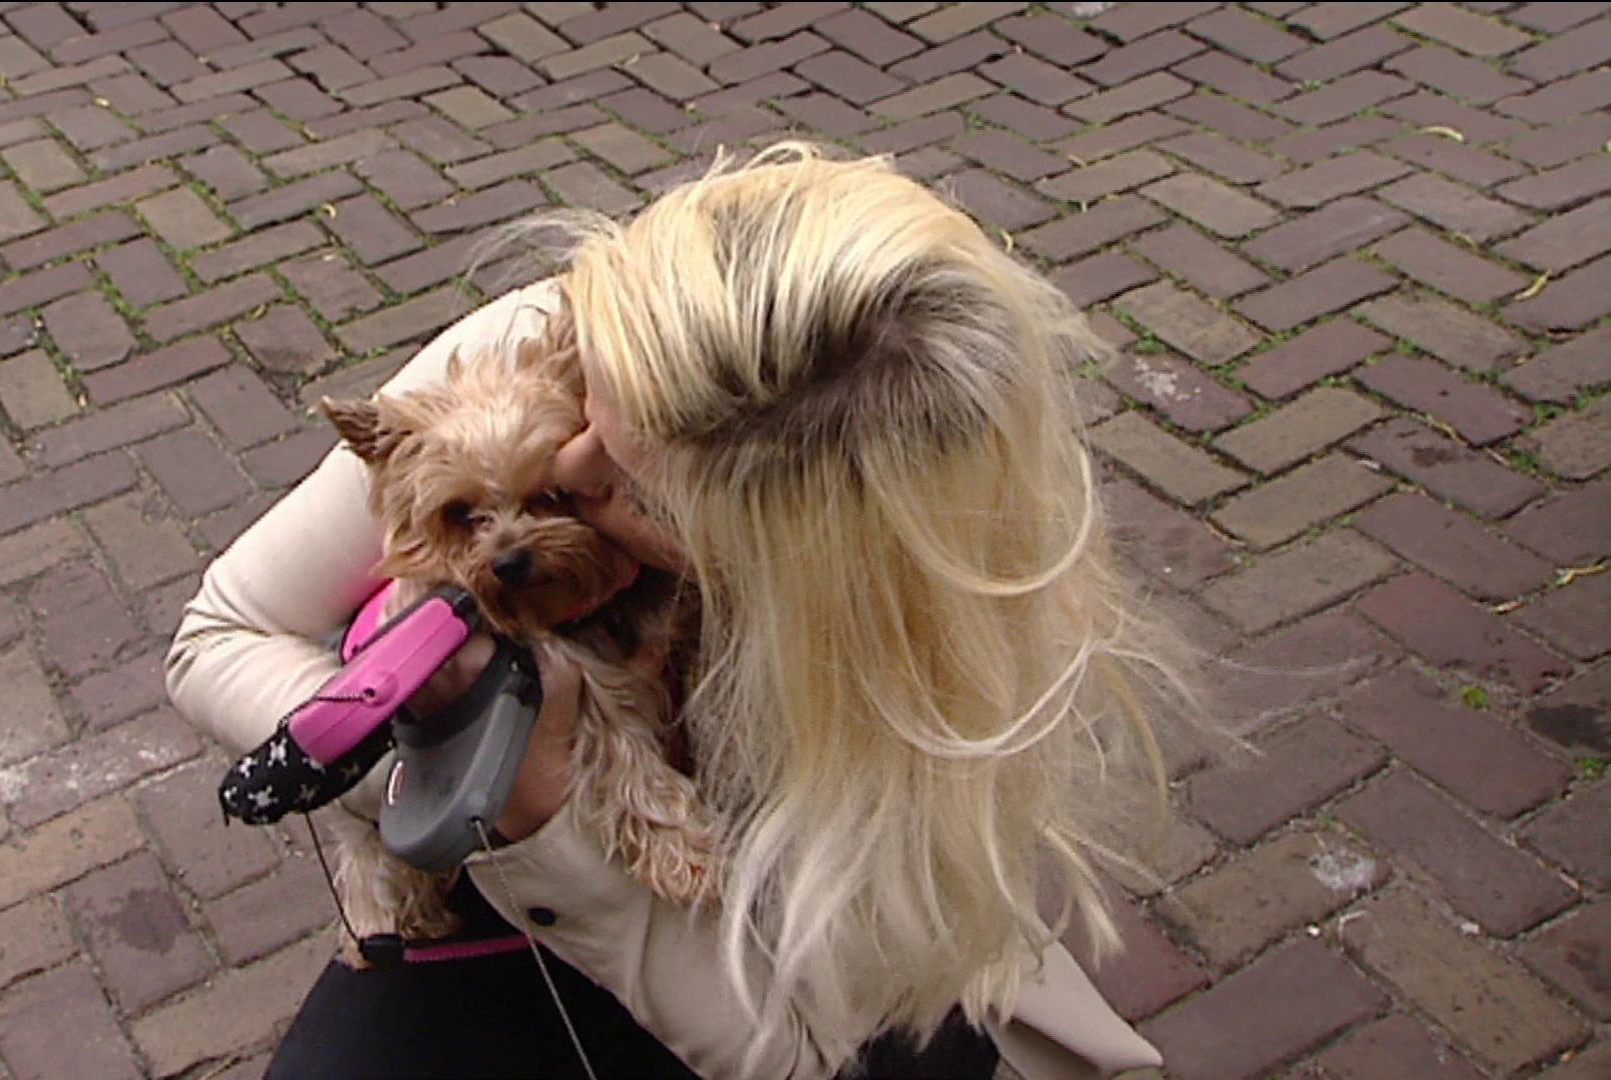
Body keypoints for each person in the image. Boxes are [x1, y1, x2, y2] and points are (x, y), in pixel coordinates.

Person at [167, 142, 1205, 1079]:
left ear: (778, 556)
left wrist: (556, 822)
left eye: (626, 482)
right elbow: (220, 638)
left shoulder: (912, 657)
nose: (571, 466)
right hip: (479, 885)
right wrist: (449, 765)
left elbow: (792, 1055)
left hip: (747, 907)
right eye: (590, 413)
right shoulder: (565, 342)